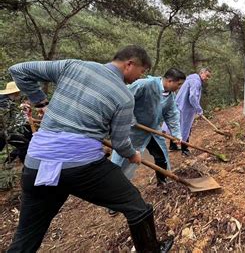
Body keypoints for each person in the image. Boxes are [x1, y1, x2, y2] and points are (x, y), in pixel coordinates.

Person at [6, 45, 174, 253]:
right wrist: (133, 155)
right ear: (129, 64)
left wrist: (40, 101)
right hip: (81, 167)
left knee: (27, 236)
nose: (141, 76)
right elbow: (121, 143)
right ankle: (151, 250)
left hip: (37, 164)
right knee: (136, 206)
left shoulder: (72, 66)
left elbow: (18, 70)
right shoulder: (124, 96)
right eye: (141, 71)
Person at [110, 68, 185, 189]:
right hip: (133, 131)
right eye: (179, 84)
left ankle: (162, 182)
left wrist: (176, 134)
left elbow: (172, 115)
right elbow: (124, 98)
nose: (180, 87)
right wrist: (130, 117)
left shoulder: (170, 96)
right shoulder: (145, 85)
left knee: (161, 156)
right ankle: (114, 187)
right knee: (123, 160)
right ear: (170, 81)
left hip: (152, 131)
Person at [166, 68, 211, 156]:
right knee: (186, 128)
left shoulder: (191, 78)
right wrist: (199, 109)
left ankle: (173, 145)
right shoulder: (196, 81)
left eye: (209, 77)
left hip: (179, 105)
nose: (207, 78)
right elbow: (193, 97)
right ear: (201, 73)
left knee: (177, 124)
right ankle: (185, 149)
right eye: (207, 76)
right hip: (185, 108)